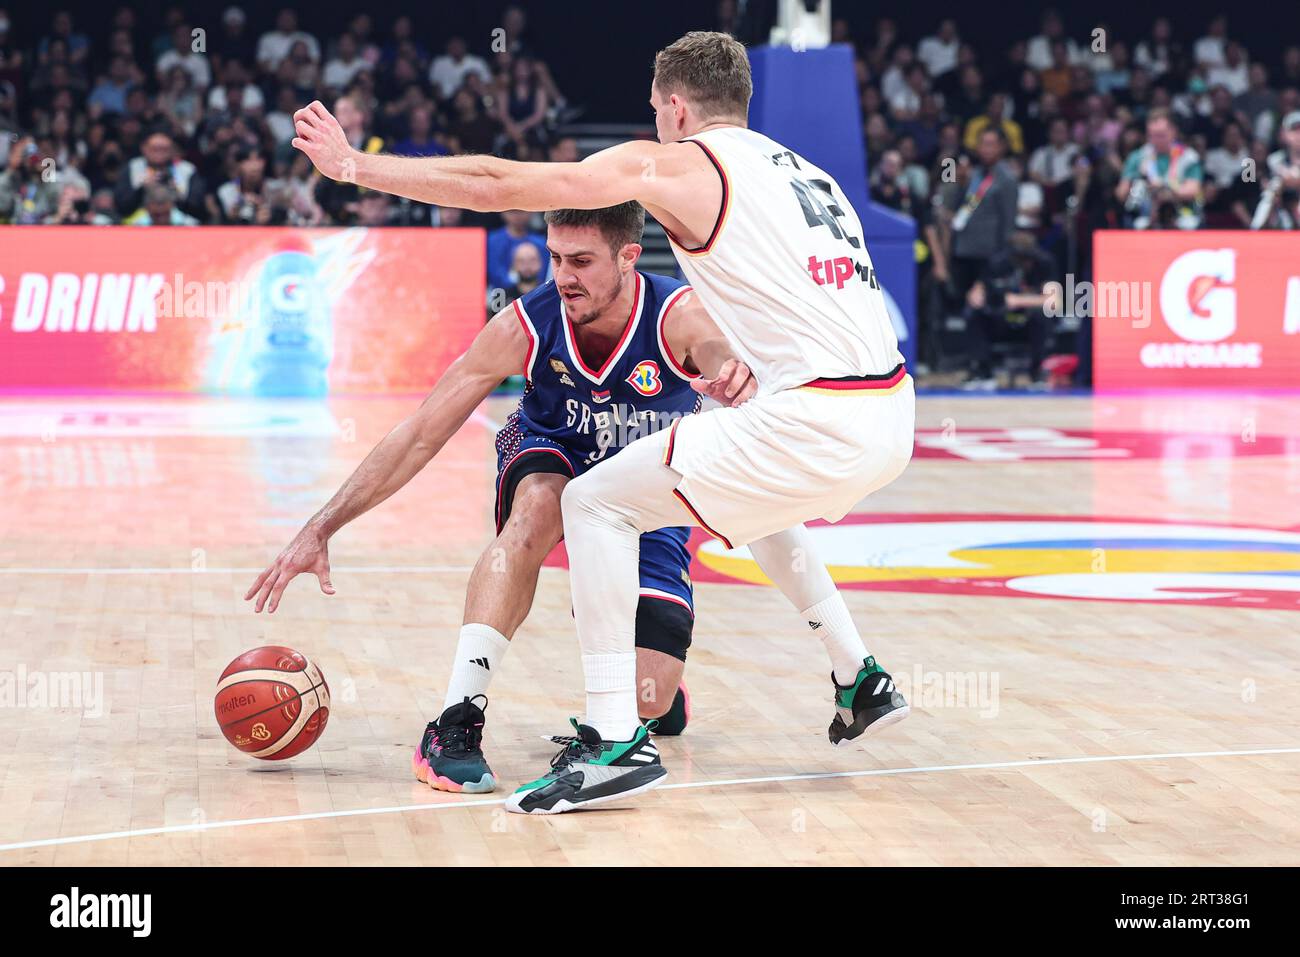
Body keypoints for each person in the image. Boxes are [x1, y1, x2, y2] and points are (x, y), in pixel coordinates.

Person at [286, 30, 914, 814]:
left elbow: (497, 181)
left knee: (593, 502)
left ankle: (614, 738)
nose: (654, 126)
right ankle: (858, 674)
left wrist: (356, 166)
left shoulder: (684, 163)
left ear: (676, 108)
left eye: (655, 112)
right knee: (753, 494)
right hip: (888, 411)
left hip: (818, 412)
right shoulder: (804, 172)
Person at [246, 202, 759, 792]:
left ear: (628, 257)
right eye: (557, 258)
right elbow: (419, 435)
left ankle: (648, 686)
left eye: (583, 262)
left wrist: (734, 373)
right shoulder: (526, 324)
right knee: (537, 507)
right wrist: (321, 526)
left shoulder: (678, 314)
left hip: (644, 481)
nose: (564, 276)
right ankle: (456, 720)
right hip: (553, 448)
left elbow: (726, 359)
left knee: (651, 697)